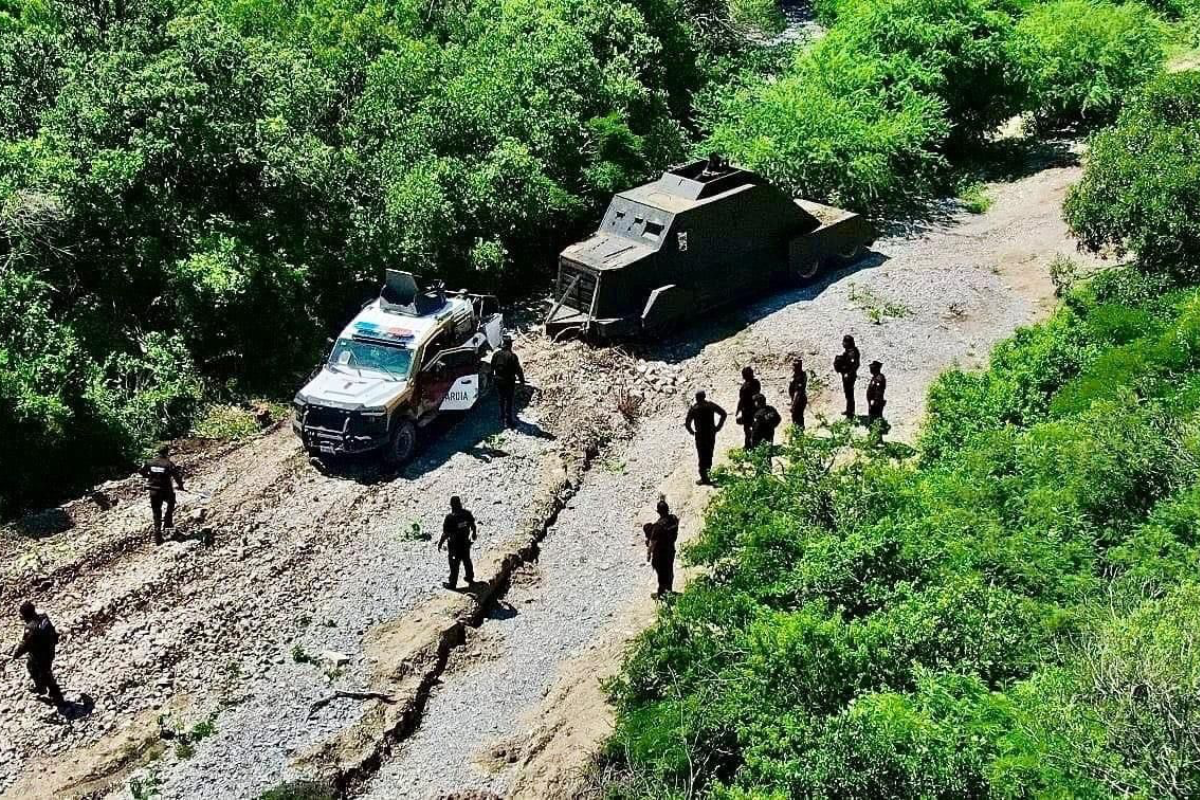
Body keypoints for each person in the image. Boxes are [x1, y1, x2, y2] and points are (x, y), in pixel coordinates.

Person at [11, 601, 63, 706]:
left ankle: (54, 695)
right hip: (50, 649)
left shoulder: (30, 628)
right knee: (43, 670)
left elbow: (24, 645)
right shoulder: (43, 617)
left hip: (40, 655)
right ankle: (44, 688)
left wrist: (15, 655)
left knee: (39, 670)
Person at [139, 445, 184, 545]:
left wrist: (149, 476)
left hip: (153, 491)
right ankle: (168, 520)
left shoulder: (149, 462)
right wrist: (181, 486)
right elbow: (176, 476)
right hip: (165, 491)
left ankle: (157, 537)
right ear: (166, 452)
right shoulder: (168, 464)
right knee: (171, 501)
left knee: (156, 513)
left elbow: (141, 471)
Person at [684, 391, 727, 485]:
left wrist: (692, 432)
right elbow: (723, 414)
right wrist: (718, 427)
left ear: (696, 398)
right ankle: (708, 474)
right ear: (704, 396)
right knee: (709, 454)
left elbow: (687, 423)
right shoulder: (710, 405)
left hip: (700, 436)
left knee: (702, 456)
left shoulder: (694, 409)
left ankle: (704, 478)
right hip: (711, 434)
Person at [438, 496, 477, 589]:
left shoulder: (450, 518)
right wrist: (474, 534)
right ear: (460, 503)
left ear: (451, 505)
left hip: (454, 546)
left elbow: (446, 533)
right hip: (465, 542)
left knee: (454, 565)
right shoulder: (467, 514)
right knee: (467, 560)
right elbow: (473, 525)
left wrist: (440, 543)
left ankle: (452, 584)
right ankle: (470, 577)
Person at [645, 498, 679, 598]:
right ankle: (669, 590)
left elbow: (652, 543)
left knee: (661, 574)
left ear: (658, 512)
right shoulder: (673, 519)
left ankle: (662, 594)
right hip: (670, 550)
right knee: (669, 571)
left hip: (660, 554)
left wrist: (648, 554)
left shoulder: (658, 527)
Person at [491, 336, 525, 429]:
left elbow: (492, 367)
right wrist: (522, 380)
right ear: (510, 344)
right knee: (509, 400)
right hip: (509, 381)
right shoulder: (512, 356)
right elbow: (518, 369)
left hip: (498, 380)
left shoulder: (496, 354)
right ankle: (509, 420)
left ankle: (502, 415)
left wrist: (492, 379)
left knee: (501, 398)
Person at [833, 335, 861, 420]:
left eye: (845, 342)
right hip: (846, 375)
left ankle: (850, 414)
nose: (843, 344)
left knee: (849, 394)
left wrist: (848, 374)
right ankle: (849, 410)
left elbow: (854, 365)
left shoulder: (852, 353)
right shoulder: (849, 351)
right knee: (848, 394)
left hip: (849, 376)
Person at [735, 367, 761, 449]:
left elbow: (741, 400)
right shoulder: (756, 383)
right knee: (756, 426)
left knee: (747, 429)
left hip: (747, 410)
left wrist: (738, 410)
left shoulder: (744, 387)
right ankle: (757, 443)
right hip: (756, 408)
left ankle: (748, 445)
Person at [788, 359, 808, 430]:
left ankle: (798, 434)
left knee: (797, 418)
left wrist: (793, 405)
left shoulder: (799, 377)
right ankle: (798, 433)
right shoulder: (799, 375)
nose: (792, 367)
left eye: (794, 366)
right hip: (799, 399)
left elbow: (797, 392)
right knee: (798, 417)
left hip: (799, 400)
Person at [867, 360, 887, 426]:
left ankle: (876, 432)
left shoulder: (879, 378)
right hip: (874, 402)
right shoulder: (875, 377)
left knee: (875, 418)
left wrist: (874, 400)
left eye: (872, 368)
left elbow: (878, 391)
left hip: (876, 402)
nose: (871, 369)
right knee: (873, 418)